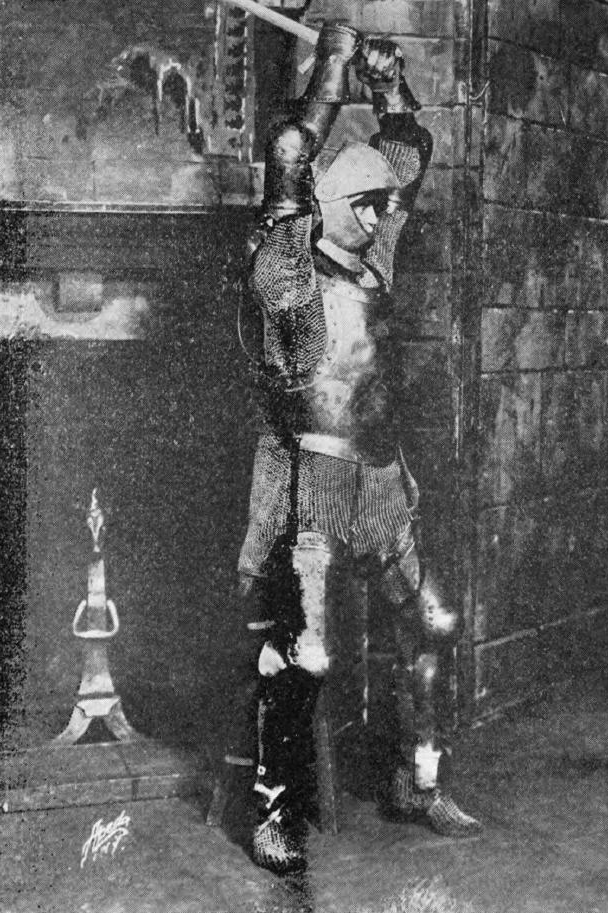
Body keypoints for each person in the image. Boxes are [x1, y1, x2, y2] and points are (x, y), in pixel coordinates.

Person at [235, 22, 481, 876]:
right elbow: (290, 150)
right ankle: (275, 812)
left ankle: (420, 780)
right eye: (366, 202)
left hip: (381, 477)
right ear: (330, 201)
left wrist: (389, 80)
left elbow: (410, 150)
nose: (381, 213)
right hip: (315, 481)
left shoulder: (374, 265)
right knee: (308, 652)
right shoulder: (286, 270)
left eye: (382, 204)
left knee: (433, 623)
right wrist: (334, 65)